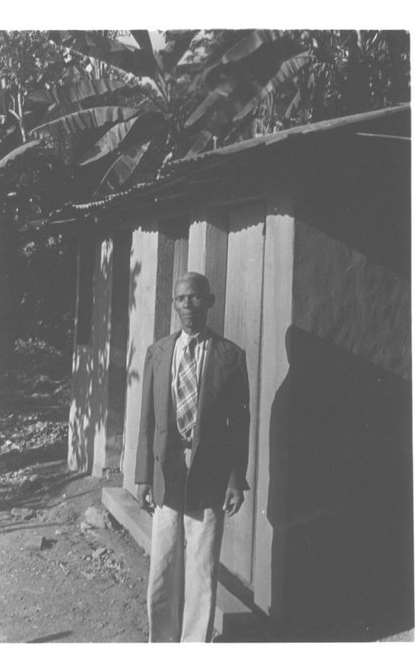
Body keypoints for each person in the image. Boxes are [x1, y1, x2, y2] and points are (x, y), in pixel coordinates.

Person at [135, 272, 250, 642]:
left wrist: (235, 479)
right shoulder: (158, 352)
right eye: (181, 298)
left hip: (209, 473)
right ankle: (162, 640)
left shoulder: (230, 356)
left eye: (196, 297)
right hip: (167, 471)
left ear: (210, 302)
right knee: (163, 565)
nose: (188, 305)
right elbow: (148, 420)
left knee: (201, 568)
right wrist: (143, 476)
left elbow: (240, 425)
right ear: (174, 304)